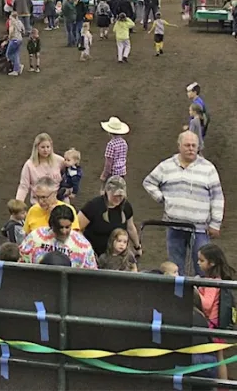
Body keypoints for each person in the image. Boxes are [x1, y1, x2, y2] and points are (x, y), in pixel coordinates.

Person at [143, 131, 223, 276]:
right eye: (187, 145)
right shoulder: (166, 166)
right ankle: (179, 298)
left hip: (199, 230)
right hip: (173, 227)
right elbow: (148, 182)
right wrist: (162, 198)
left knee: (203, 268)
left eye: (194, 145)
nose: (191, 148)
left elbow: (217, 196)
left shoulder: (208, 168)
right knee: (175, 269)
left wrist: (215, 224)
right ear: (179, 146)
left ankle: (204, 297)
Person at [196, 243, 234, 381]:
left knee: (218, 357)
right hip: (216, 326)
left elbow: (206, 305)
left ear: (211, 263)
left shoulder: (212, 282)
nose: (198, 263)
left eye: (201, 260)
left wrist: (195, 289)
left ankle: (220, 384)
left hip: (211, 327)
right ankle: (222, 385)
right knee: (220, 357)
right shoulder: (216, 279)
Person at [19, 204, 97, 269]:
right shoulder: (35, 238)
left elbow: (91, 274)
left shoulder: (83, 246)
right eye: (59, 227)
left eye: (67, 227)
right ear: (51, 225)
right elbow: (21, 263)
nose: (63, 231)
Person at [16, 133, 64, 204]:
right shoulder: (29, 165)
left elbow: (71, 174)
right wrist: (18, 205)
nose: (46, 150)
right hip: (38, 204)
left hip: (57, 202)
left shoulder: (59, 161)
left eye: (48, 147)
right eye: (43, 147)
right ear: (36, 148)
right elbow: (23, 186)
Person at [100, 117, 129, 184]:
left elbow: (109, 163)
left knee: (109, 192)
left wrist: (104, 175)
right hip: (122, 172)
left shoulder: (111, 144)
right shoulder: (124, 142)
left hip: (113, 173)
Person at [5, 12, 25, 76]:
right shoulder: (19, 22)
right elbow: (23, 30)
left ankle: (17, 67)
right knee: (16, 54)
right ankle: (17, 68)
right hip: (20, 39)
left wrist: (9, 38)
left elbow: (11, 31)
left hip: (14, 40)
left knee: (8, 54)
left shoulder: (12, 22)